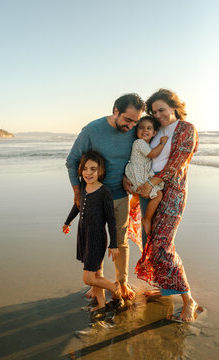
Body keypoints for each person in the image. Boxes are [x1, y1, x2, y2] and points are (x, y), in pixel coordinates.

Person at [66, 93, 145, 300]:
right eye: (128, 120)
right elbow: (72, 161)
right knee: (96, 239)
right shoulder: (92, 130)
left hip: (120, 196)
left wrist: (130, 179)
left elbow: (139, 159)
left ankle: (122, 283)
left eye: (135, 122)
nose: (131, 127)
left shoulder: (134, 131)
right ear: (115, 111)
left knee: (120, 241)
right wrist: (77, 191)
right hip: (93, 197)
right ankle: (97, 283)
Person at [134, 88, 201, 322]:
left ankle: (188, 300)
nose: (158, 114)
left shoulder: (186, 129)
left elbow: (177, 163)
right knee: (151, 241)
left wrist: (151, 182)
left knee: (163, 243)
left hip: (172, 192)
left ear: (174, 107)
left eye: (161, 109)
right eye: (154, 111)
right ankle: (166, 289)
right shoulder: (157, 129)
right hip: (149, 192)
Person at [63, 151, 121, 314]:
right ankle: (101, 304)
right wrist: (68, 221)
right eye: (85, 169)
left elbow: (111, 219)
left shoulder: (104, 192)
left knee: (88, 278)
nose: (89, 173)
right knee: (95, 273)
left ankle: (114, 287)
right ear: (81, 170)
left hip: (96, 238)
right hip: (83, 235)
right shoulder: (82, 186)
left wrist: (113, 244)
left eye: (93, 169)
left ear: (100, 170)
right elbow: (77, 205)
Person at [125, 115, 169, 236]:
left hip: (139, 176)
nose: (145, 130)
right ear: (137, 130)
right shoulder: (139, 142)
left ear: (154, 132)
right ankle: (146, 219)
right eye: (142, 128)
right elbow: (152, 154)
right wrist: (163, 143)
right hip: (138, 177)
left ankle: (131, 213)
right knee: (158, 195)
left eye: (149, 128)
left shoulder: (144, 143)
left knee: (142, 196)